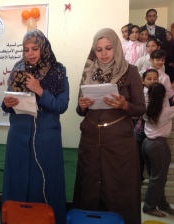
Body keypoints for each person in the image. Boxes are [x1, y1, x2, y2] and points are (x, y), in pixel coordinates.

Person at [73, 28, 146, 224]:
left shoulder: (130, 71)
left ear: (116, 47)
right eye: (98, 50)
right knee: (89, 188)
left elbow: (140, 108)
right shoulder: (88, 71)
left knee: (117, 191)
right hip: (90, 141)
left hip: (119, 144)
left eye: (108, 48)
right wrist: (81, 106)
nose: (103, 54)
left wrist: (124, 105)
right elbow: (79, 110)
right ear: (93, 51)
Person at [1, 29, 69, 224]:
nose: (30, 53)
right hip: (18, 135)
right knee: (17, 180)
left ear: (43, 47)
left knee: (45, 183)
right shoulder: (17, 69)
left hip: (46, 138)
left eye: (35, 48)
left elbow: (61, 105)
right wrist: (7, 103)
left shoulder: (58, 70)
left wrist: (39, 90)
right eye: (26, 49)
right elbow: (8, 104)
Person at [142, 82, 174, 217]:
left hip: (146, 143)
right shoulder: (167, 111)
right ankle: (149, 207)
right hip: (158, 146)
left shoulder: (145, 107)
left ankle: (162, 204)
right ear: (163, 95)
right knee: (158, 178)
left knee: (156, 178)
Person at [134, 69, 159, 183]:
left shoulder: (160, 93)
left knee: (152, 156)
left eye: (155, 79)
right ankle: (138, 178)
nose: (152, 81)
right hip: (141, 128)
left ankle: (152, 179)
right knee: (139, 154)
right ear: (143, 81)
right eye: (149, 79)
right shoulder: (139, 93)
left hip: (154, 130)